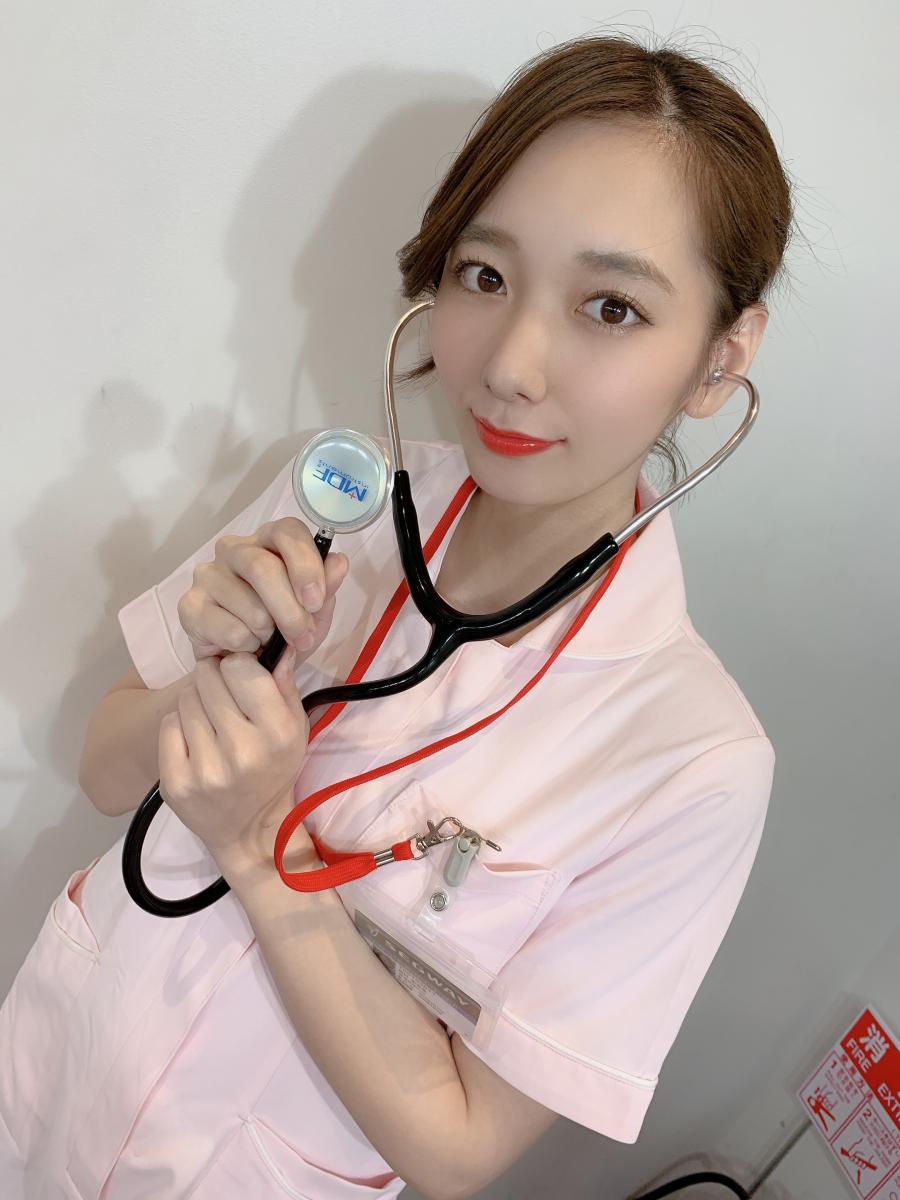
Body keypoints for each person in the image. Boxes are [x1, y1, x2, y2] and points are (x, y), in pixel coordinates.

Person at [0, 30, 794, 1200]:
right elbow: (107, 770)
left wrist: (256, 842)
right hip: (48, 1071)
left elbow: (459, 1146)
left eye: (611, 306)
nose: (512, 363)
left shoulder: (695, 764)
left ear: (722, 359)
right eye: (486, 275)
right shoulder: (341, 498)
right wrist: (206, 688)